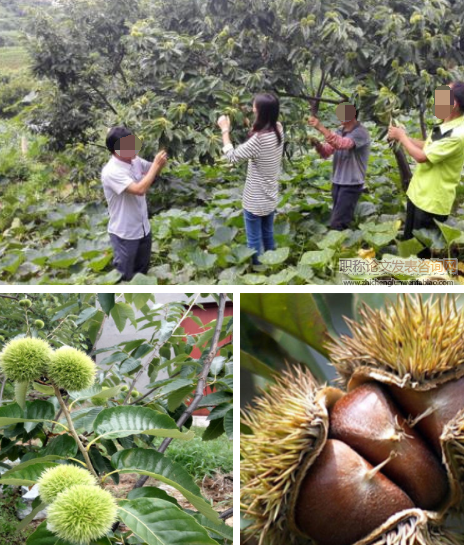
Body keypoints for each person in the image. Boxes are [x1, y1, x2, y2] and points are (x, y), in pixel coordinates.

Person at [388, 82, 464, 250]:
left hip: (432, 201)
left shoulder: (458, 133)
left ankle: (419, 276)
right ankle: (407, 273)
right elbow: (427, 145)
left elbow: (422, 157)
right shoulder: (445, 124)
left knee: (421, 251)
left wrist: (402, 137)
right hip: (418, 193)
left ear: (454, 104)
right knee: (410, 244)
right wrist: (403, 136)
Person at [217, 93, 284, 265]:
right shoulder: (278, 128)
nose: (252, 109)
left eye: (254, 107)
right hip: (270, 196)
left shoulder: (259, 140)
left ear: (260, 112)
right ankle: (272, 263)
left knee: (253, 239)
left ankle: (258, 269)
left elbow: (232, 157)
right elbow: (259, 130)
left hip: (255, 200)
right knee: (268, 233)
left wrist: (225, 129)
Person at [101, 127, 168, 281]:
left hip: (143, 228)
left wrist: (161, 159)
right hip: (125, 234)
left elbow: (152, 170)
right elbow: (139, 189)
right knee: (124, 275)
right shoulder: (111, 171)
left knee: (142, 273)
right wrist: (157, 166)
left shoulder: (134, 160)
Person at [308, 103, 371, 230]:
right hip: (337, 182)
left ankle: (340, 246)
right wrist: (317, 145)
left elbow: (342, 144)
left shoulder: (361, 133)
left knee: (338, 223)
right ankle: (344, 244)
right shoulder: (340, 131)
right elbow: (326, 152)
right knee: (340, 218)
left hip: (351, 184)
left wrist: (320, 127)